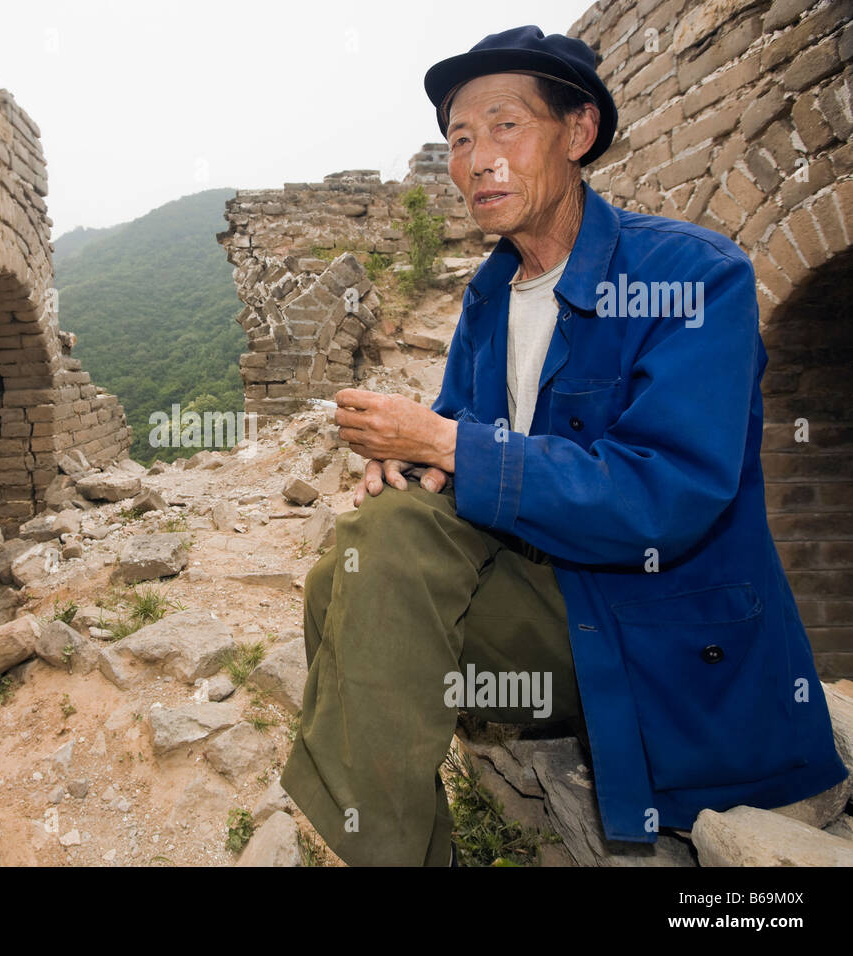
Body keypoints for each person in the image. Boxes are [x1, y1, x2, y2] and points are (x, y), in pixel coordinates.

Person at [280, 25, 849, 867]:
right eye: (460, 140)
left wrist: (448, 443)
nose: (477, 160)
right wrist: (412, 463)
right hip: (557, 603)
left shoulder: (694, 278)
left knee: (382, 554)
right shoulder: (488, 298)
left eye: (505, 126)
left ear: (577, 133)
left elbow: (666, 498)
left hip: (661, 627)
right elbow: (462, 456)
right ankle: (402, 850)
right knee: (354, 565)